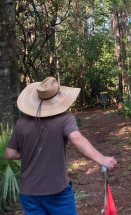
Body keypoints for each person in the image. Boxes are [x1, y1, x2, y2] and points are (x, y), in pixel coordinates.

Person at [5, 77, 117, 215]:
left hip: (29, 193)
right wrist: (101, 158)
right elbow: (77, 139)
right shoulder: (65, 119)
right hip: (57, 191)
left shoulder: (21, 123)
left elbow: (9, 154)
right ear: (58, 97)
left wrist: (30, 152)